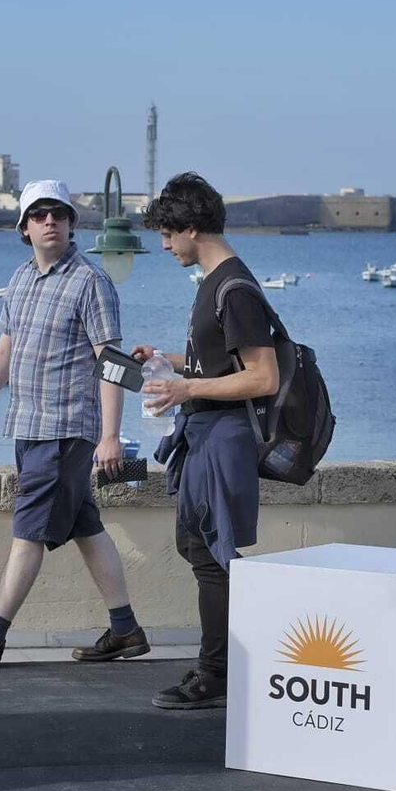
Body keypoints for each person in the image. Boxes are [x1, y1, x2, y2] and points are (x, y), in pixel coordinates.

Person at [0, 179, 148, 667]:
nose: (49, 221)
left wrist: (111, 435)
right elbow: (5, 351)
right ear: (24, 228)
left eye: (59, 213)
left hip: (65, 430)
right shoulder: (20, 279)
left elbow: (112, 360)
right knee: (85, 526)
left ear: (73, 224)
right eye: (39, 214)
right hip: (27, 426)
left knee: (28, 533)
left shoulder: (91, 282)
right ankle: (125, 628)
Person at [134, 172, 279, 709]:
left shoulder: (233, 289)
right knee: (199, 547)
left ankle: (218, 673)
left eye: (168, 235)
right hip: (205, 433)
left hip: (222, 436)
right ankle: (226, 666)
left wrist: (186, 386)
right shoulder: (216, 285)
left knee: (212, 553)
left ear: (192, 228)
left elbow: (263, 378)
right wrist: (170, 362)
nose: (164, 245)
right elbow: (221, 362)